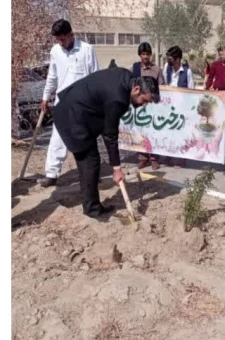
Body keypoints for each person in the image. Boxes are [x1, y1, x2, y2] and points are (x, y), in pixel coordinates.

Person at [51, 68, 159, 218]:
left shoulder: (127, 77)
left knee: (89, 162)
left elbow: (107, 124)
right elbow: (110, 135)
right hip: (72, 116)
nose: (144, 105)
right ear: (136, 89)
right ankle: (92, 209)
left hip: (78, 110)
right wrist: (116, 169)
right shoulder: (118, 99)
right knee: (90, 162)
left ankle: (90, 201)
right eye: (144, 100)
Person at [39, 19, 100, 188]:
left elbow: (95, 77)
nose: (60, 43)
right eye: (57, 40)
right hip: (62, 103)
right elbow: (52, 76)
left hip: (83, 105)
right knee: (57, 137)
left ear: (71, 35)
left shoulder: (87, 50)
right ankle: (51, 174)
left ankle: (91, 175)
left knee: (86, 140)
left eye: (63, 39)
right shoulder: (55, 51)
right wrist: (45, 97)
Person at [130, 42, 163, 170]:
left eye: (147, 54)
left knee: (153, 132)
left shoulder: (156, 70)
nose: (145, 57)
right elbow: (131, 86)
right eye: (143, 54)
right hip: (139, 107)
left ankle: (154, 158)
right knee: (140, 132)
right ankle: (143, 158)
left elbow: (163, 88)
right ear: (139, 55)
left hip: (153, 106)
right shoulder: (135, 69)